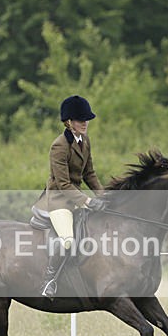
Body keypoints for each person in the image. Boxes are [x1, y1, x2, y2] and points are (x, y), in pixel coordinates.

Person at [38, 95, 107, 299]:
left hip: (76, 199)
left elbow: (89, 174)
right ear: (69, 122)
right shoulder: (59, 146)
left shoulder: (85, 141)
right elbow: (63, 183)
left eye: (86, 119)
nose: (85, 123)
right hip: (59, 201)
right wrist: (86, 201)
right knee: (68, 240)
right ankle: (49, 280)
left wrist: (104, 197)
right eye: (80, 120)